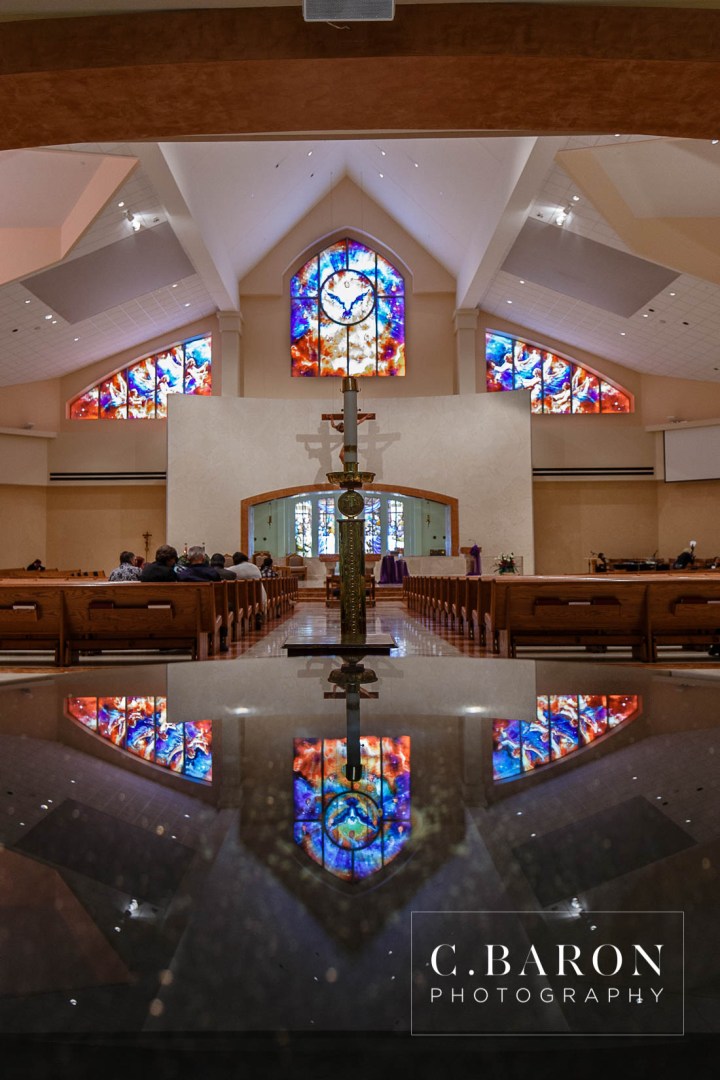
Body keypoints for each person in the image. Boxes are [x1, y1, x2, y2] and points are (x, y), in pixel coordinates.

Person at [227, 551, 267, 625]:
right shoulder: (255, 567)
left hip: (243, 600)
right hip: (259, 597)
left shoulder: (234, 569)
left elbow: (225, 572)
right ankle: (258, 615)